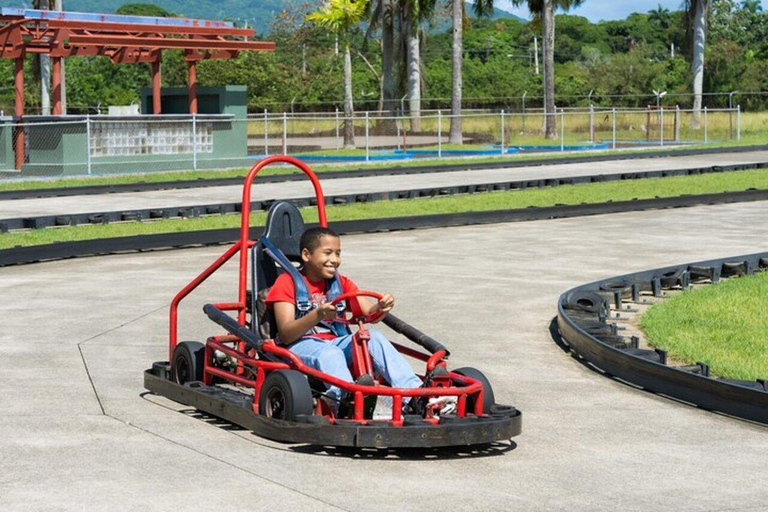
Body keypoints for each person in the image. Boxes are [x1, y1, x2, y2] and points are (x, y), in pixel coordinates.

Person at [265, 226, 423, 414]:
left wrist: (381, 306)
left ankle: (415, 395)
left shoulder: (340, 284)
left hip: (335, 342)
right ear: (306, 255)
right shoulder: (287, 282)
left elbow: (368, 313)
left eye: (338, 253)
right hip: (298, 345)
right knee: (330, 353)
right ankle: (345, 399)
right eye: (328, 253)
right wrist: (317, 315)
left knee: (374, 337)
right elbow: (286, 333)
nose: (335, 260)